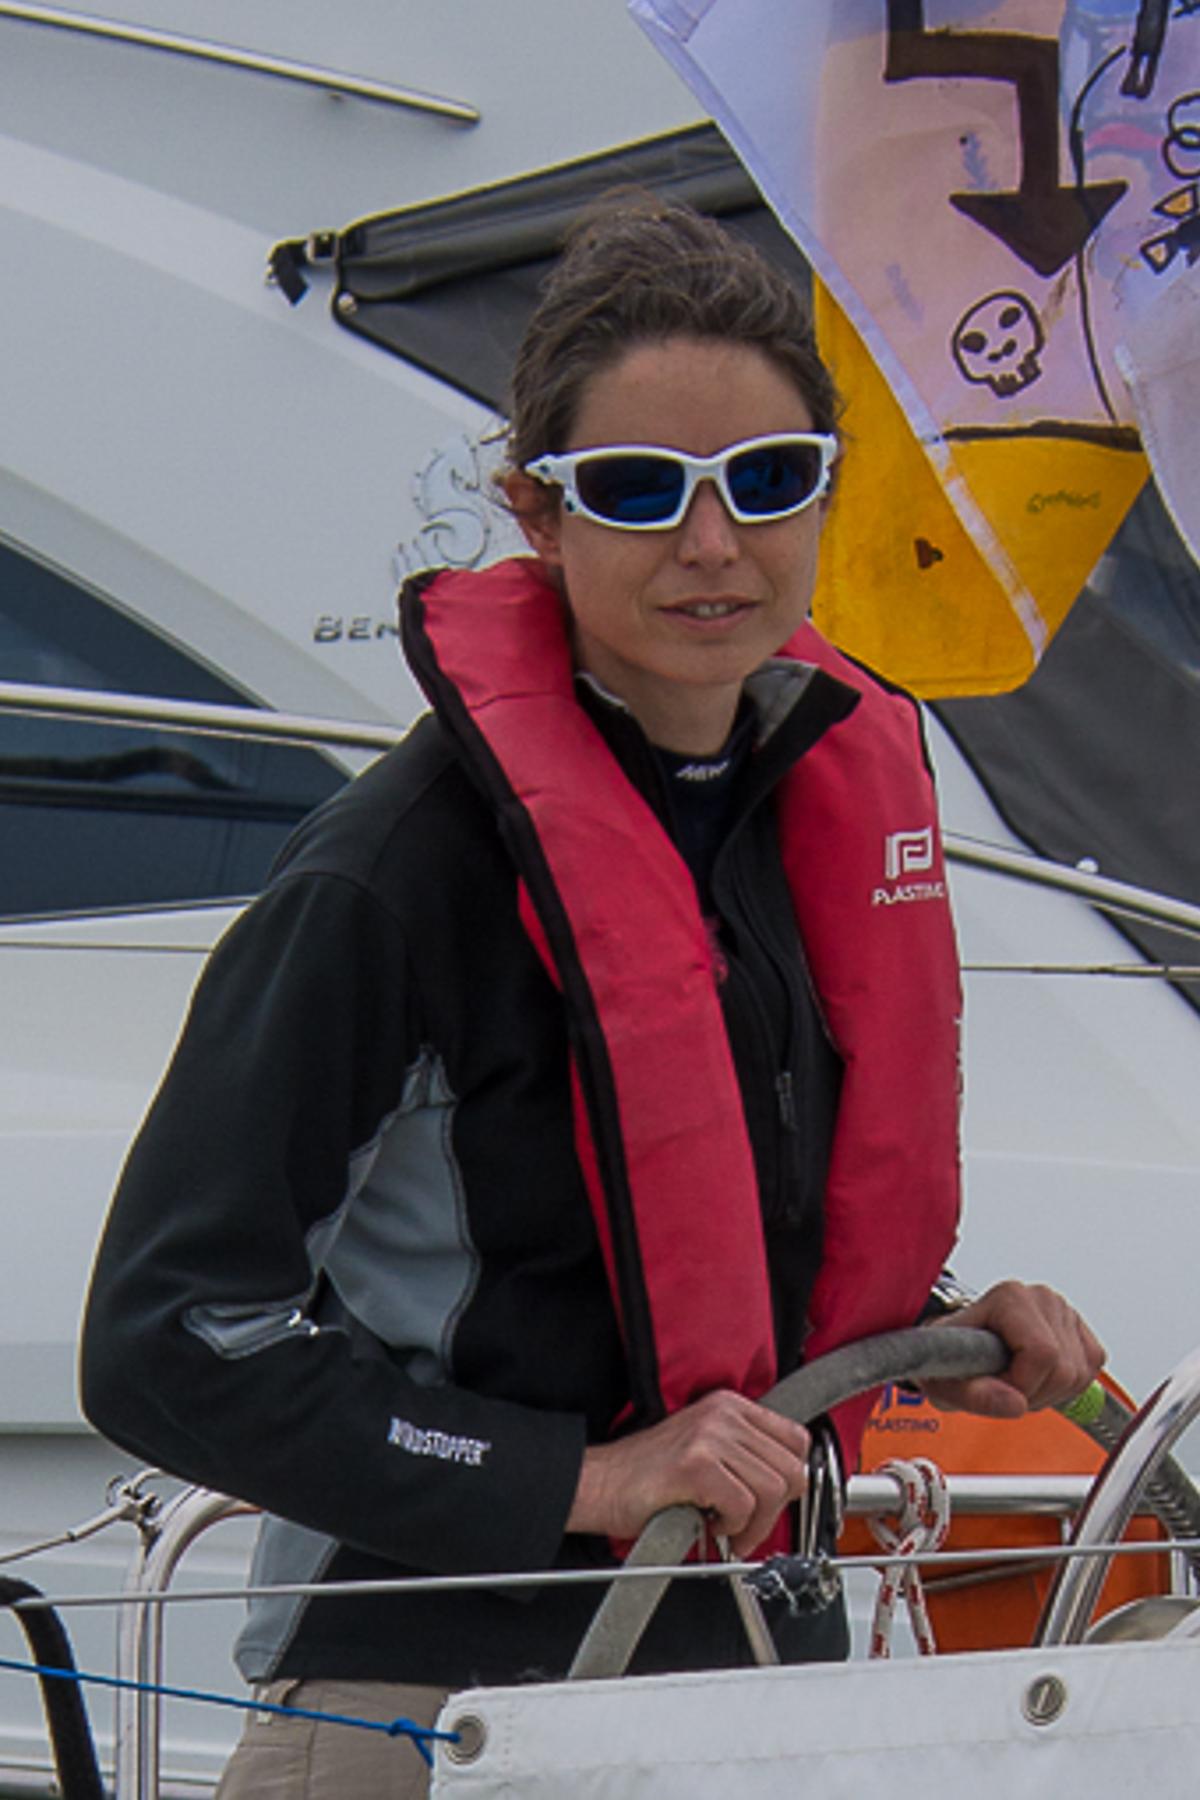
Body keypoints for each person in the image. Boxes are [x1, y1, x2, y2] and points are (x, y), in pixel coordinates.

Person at [80, 197, 1103, 1800]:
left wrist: (945, 1326)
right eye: (638, 490)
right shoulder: (388, 879)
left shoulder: (800, 825)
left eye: (767, 481)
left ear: (826, 495)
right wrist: (593, 1477)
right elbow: (168, 1343)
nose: (713, 543)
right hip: (427, 1704)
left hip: (746, 1692)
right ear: (535, 515)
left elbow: (696, 1227)